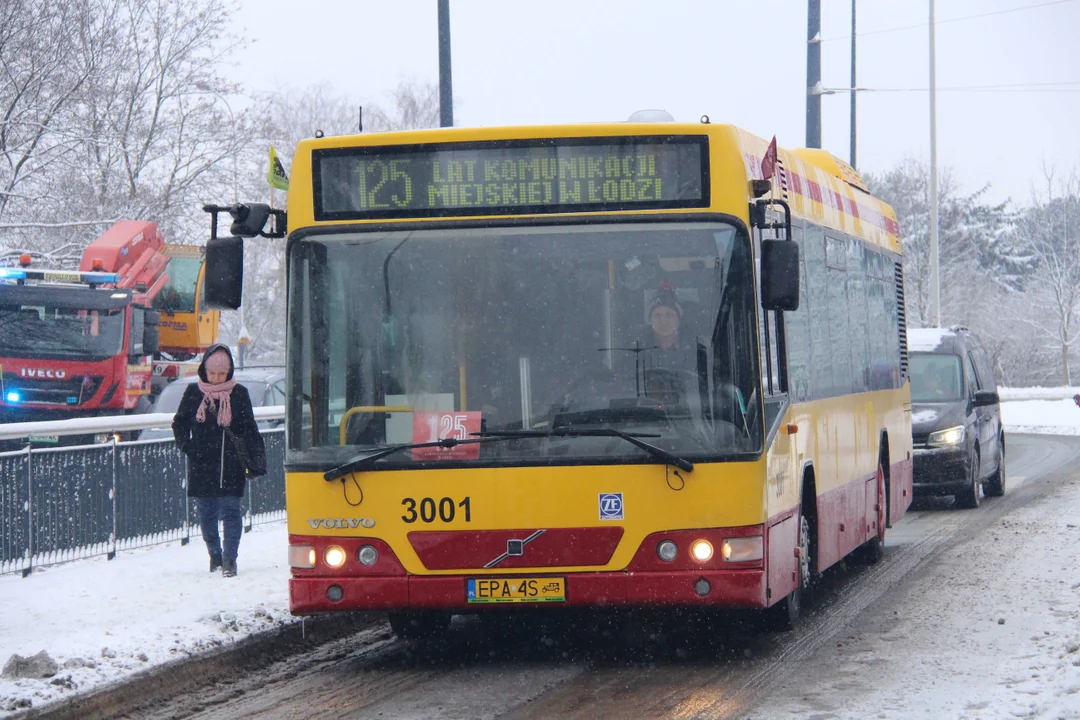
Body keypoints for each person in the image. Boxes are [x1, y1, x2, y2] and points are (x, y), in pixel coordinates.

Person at [172, 344, 264, 577]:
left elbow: (249, 428)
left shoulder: (239, 393)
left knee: (232, 511)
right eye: (212, 373)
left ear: (229, 372)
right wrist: (188, 446)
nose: (216, 378)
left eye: (221, 374)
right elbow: (180, 423)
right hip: (202, 464)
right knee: (207, 514)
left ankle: (230, 559)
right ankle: (215, 554)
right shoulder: (194, 392)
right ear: (204, 371)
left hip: (231, 463)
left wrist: (256, 457)